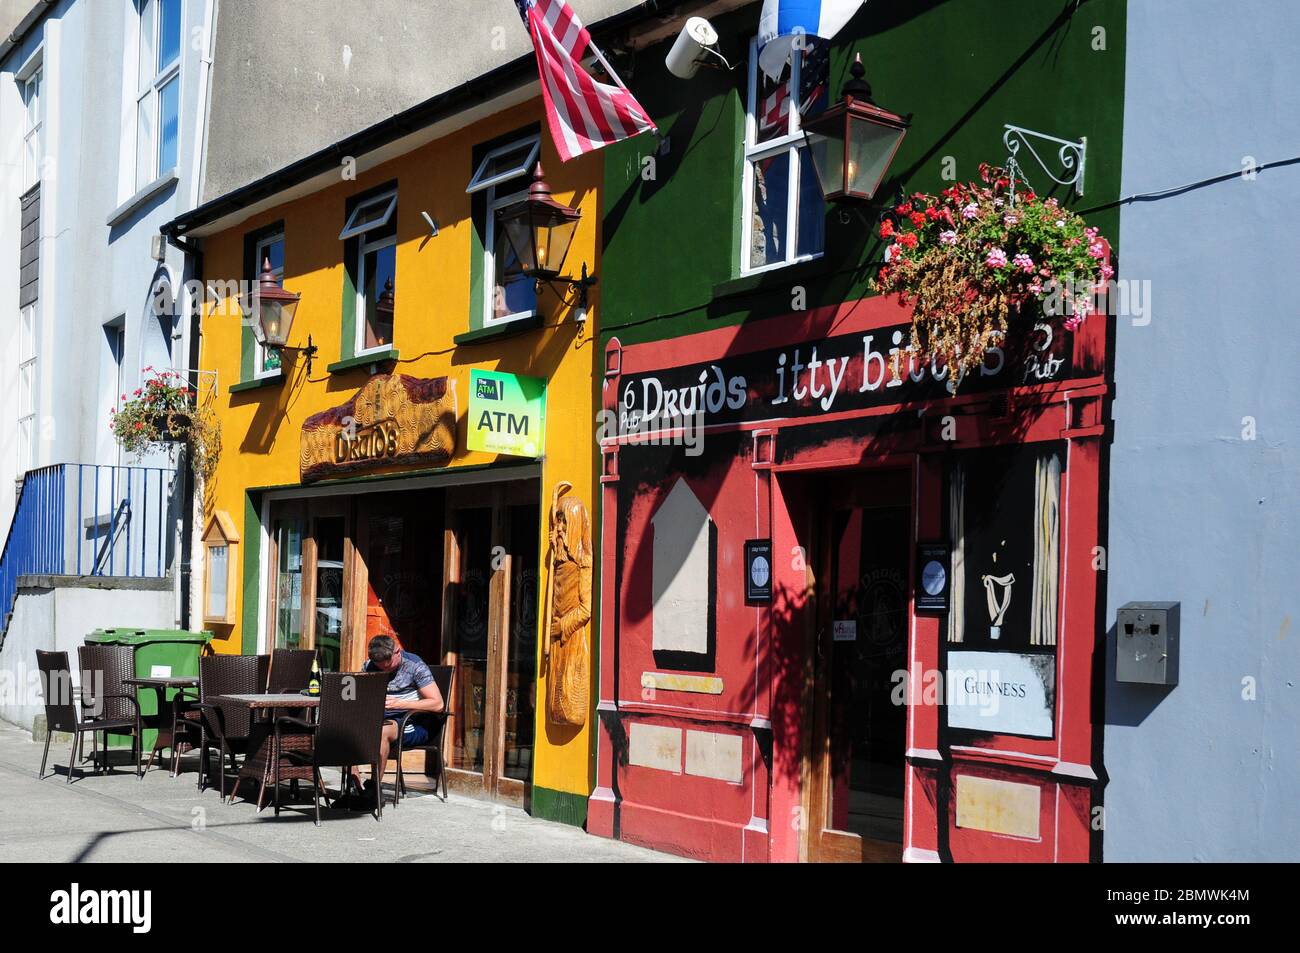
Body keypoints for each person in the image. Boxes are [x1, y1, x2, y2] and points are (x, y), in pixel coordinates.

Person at [348, 635, 444, 798]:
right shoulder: (370, 665)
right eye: (381, 668)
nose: (385, 670)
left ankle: (374, 789)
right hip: (381, 718)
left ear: (397, 651)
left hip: (413, 722)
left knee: (382, 731)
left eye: (389, 666)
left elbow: (438, 704)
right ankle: (354, 786)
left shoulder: (415, 666)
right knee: (344, 725)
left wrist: (400, 704)